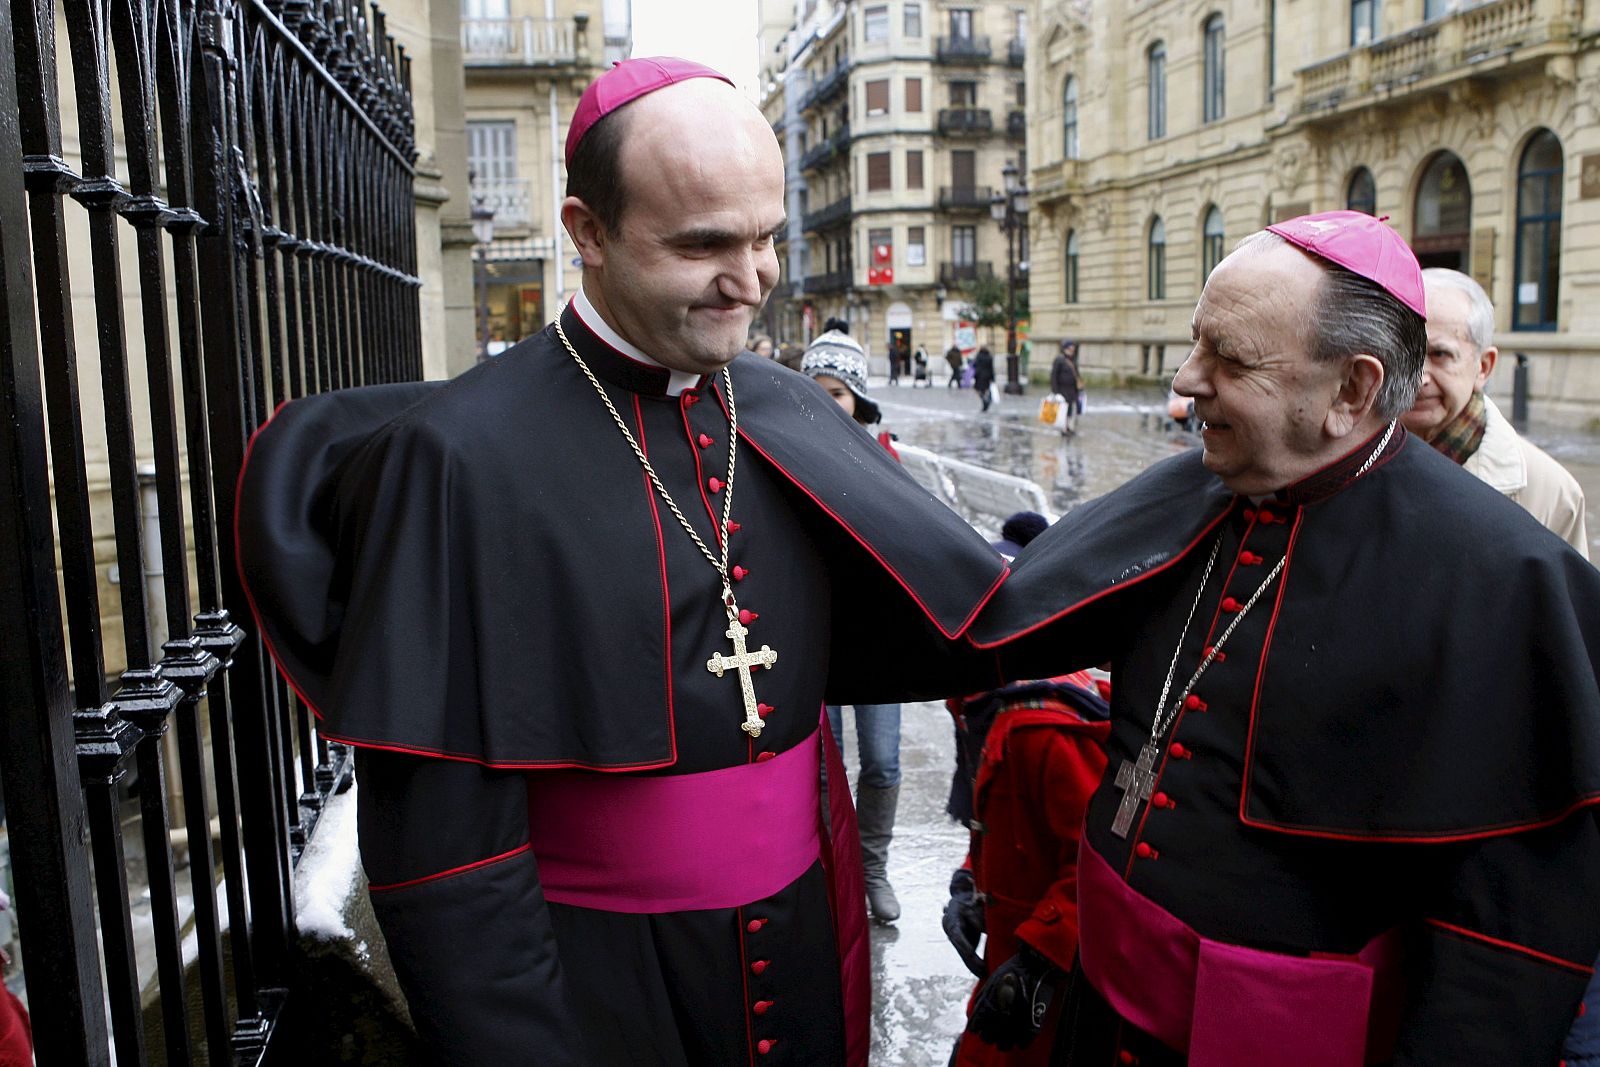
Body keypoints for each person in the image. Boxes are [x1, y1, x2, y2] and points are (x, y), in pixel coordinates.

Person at [235, 58, 1010, 1066]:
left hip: (803, 943)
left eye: (765, 237)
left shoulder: (782, 407)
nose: (751, 281)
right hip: (598, 984)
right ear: (587, 231)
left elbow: (972, 606)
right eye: (703, 245)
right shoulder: (460, 460)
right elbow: (446, 863)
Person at [968, 210, 1600, 1065]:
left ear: (1351, 391)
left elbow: (1505, 944)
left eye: (1230, 359)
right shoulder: (1183, 495)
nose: (1186, 380)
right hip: (1101, 1015)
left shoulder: (1505, 579)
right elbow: (989, 622)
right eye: (1196, 344)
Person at [943, 512, 1111, 1065]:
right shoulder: (988, 703)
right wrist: (970, 881)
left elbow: (1097, 859)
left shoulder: (1041, 727)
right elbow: (1004, 825)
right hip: (1010, 955)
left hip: (1051, 980)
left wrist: (1040, 956)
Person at [799, 330, 906, 923]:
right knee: (827, 766)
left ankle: (872, 867)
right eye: (815, 390)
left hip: (880, 640)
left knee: (883, 761)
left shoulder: (886, 458)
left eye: (836, 392)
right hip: (819, 639)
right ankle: (836, 868)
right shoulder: (785, 455)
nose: (826, 402)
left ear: (858, 399)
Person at [1401, 267, 1589, 558]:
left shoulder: (1552, 493)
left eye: (1440, 355)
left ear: (1484, 367)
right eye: (1404, 353)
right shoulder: (1345, 457)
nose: (1418, 377)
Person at [1050, 341, 1083, 436]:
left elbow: (1076, 373)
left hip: (1072, 389)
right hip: (1062, 389)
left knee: (1071, 409)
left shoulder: (1073, 360)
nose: (1072, 349)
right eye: (1070, 347)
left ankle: (1069, 427)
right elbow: (1054, 375)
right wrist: (1055, 391)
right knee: (1063, 409)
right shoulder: (1059, 360)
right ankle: (1064, 428)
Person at [973, 347, 996, 412]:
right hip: (987, 377)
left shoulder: (978, 357)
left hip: (979, 376)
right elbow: (991, 368)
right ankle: (986, 401)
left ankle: (984, 401)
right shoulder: (989, 357)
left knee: (977, 389)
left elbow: (974, 365)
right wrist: (992, 378)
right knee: (985, 389)